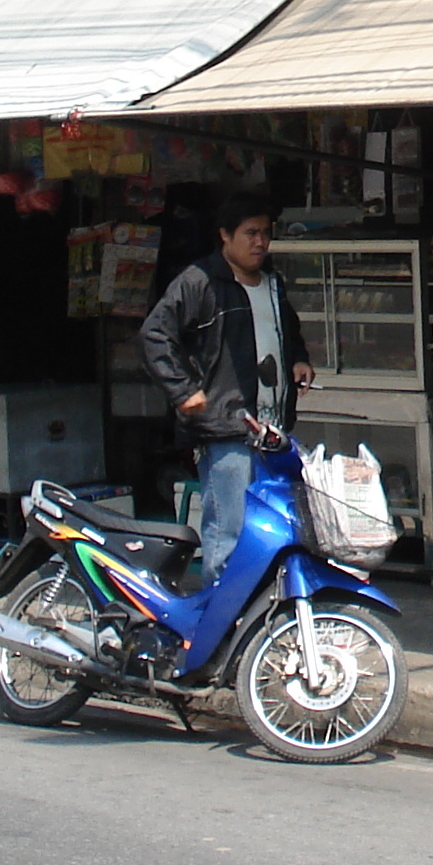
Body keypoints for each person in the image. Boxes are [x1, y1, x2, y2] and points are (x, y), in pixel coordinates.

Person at [137, 194, 312, 582]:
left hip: (272, 432)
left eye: (265, 233)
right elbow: (154, 335)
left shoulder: (272, 284)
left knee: (272, 531)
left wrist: (298, 358)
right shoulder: (200, 282)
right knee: (228, 533)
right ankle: (222, 626)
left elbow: (287, 330)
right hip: (225, 430)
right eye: (250, 233)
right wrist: (182, 390)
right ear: (225, 236)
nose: (260, 242)